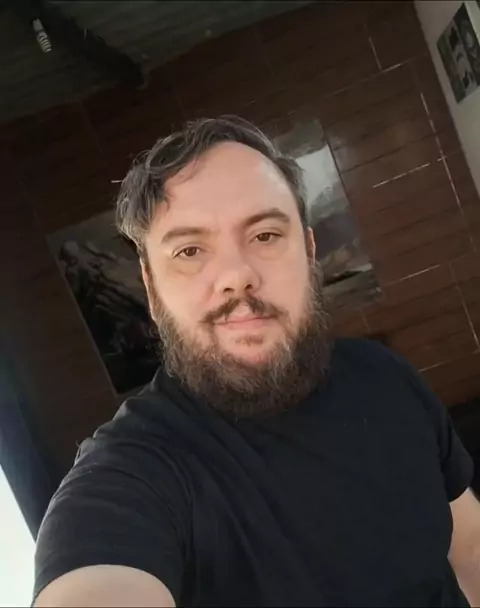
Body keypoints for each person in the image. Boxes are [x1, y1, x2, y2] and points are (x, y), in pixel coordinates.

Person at [34, 116, 480, 607]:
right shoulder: (127, 476)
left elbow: (470, 546)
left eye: (265, 236)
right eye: (189, 250)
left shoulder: (385, 375)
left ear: (309, 252)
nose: (236, 275)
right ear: (152, 288)